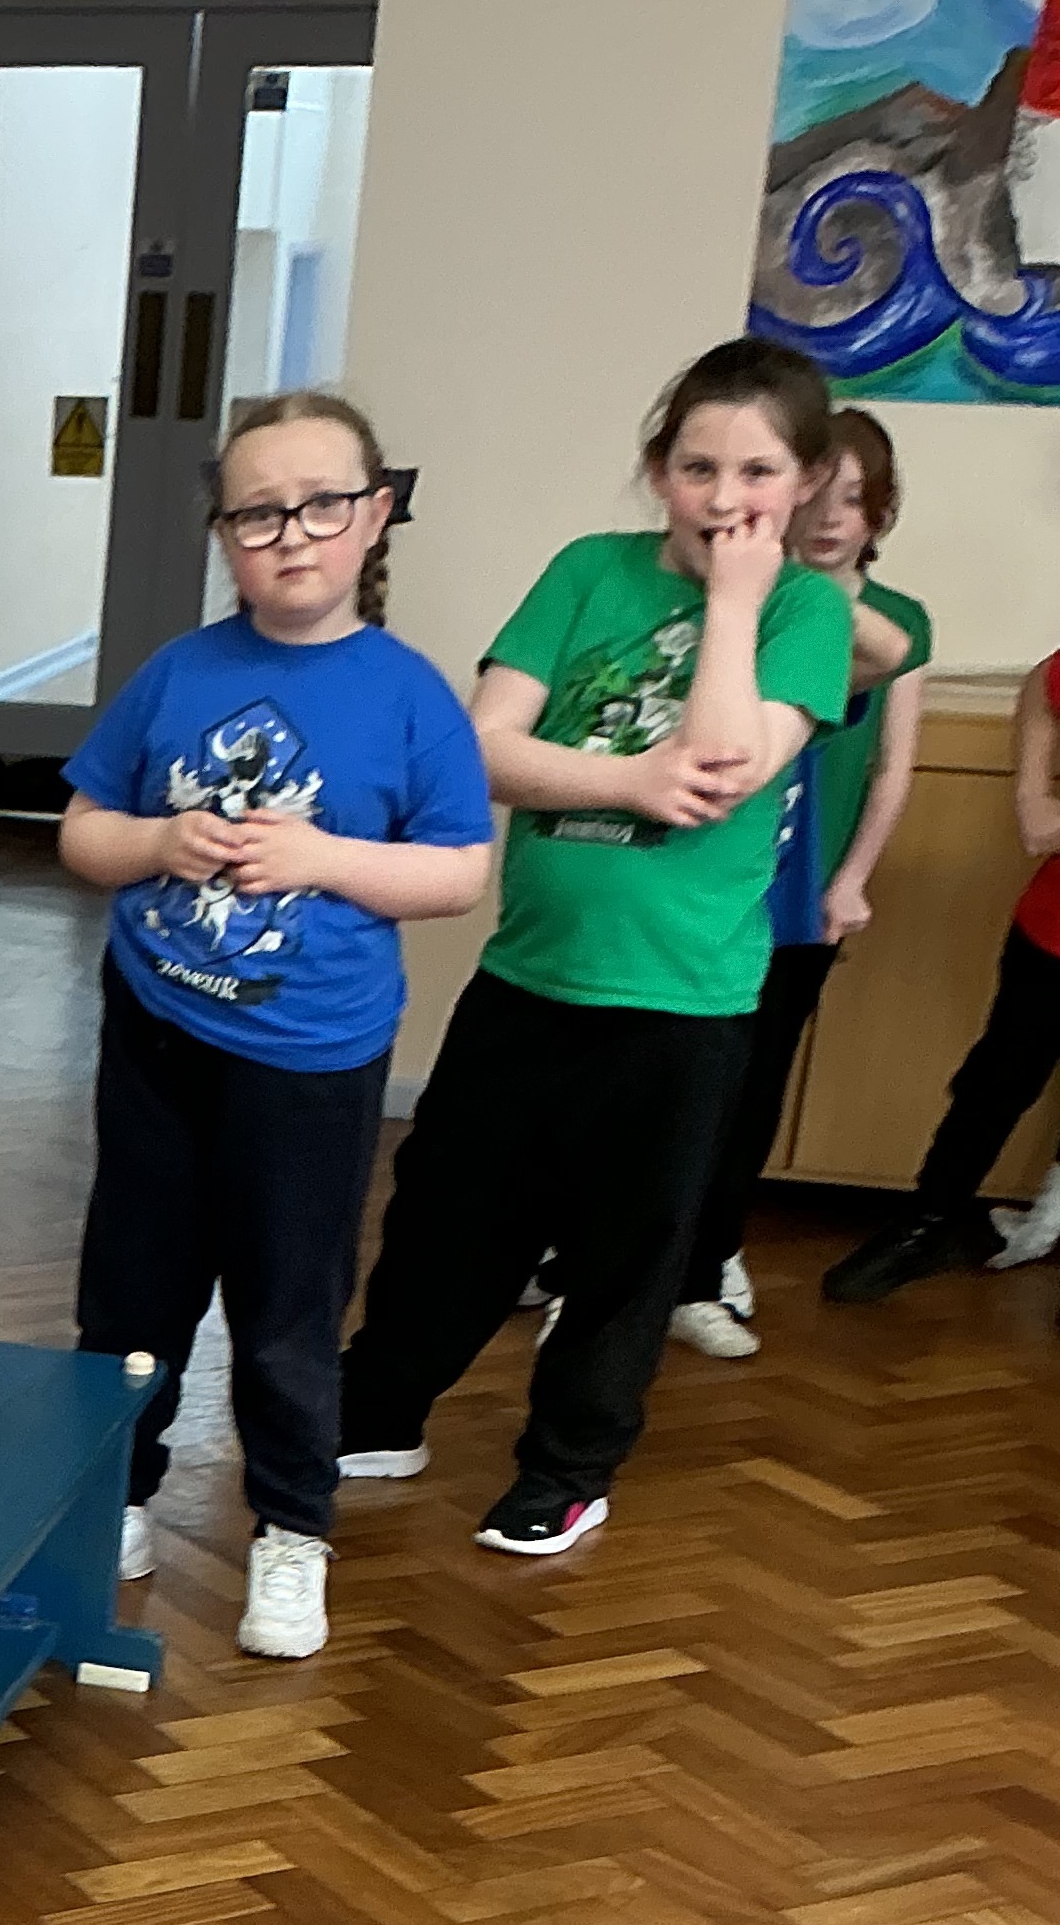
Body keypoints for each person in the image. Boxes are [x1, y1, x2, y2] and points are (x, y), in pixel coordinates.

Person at [335, 337, 854, 1556]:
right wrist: (629, 778)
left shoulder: (806, 611)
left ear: (807, 481)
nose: (725, 500)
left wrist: (733, 606)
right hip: (530, 975)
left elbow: (724, 770)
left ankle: (568, 1467)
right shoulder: (587, 569)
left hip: (683, 1004)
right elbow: (482, 747)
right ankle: (378, 1412)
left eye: (758, 473)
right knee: (449, 1216)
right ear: (658, 469)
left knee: (626, 1255)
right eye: (698, 468)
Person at [59, 392, 493, 1658]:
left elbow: (459, 871)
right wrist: (158, 842)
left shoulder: (409, 695)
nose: (291, 534)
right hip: (156, 1034)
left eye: (320, 506)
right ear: (225, 533)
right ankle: (113, 1495)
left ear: (375, 515)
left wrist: (323, 859)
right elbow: (86, 832)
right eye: (258, 514)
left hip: (310, 1063)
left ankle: (293, 1530)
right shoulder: (177, 672)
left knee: (288, 1309)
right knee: (131, 1289)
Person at [674, 408, 931, 1350]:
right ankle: (602, 1254)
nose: (830, 518)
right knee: (666, 1076)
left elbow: (892, 763)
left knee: (751, 1080)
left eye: (854, 500)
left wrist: (849, 880)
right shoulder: (736, 599)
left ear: (880, 513)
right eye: (818, 495)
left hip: (802, 889)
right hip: (705, 875)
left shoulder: (883, 623)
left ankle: (709, 1258)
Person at [822, 651, 1060, 1302]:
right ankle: (924, 1226)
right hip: (1051, 933)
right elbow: (1038, 826)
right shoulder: (1053, 678)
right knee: (995, 1082)